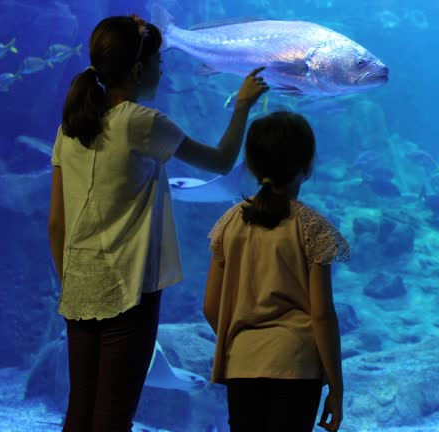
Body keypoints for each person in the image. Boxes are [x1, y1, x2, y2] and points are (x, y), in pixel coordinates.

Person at [46, 14, 268, 431]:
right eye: (159, 63)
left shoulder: (68, 130)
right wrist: (242, 105)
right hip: (129, 290)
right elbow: (220, 161)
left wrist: (68, 283)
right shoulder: (142, 122)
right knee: (114, 410)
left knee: (81, 406)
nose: (163, 71)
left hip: (78, 286)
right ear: (137, 70)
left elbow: (56, 224)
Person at [204, 111, 349, 432]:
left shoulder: (228, 223)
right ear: (307, 166)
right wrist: (336, 386)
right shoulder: (313, 228)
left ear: (253, 166)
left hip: (241, 364)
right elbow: (322, 314)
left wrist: (243, 346)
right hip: (296, 366)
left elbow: (211, 307)